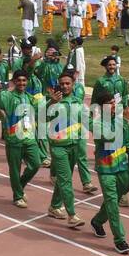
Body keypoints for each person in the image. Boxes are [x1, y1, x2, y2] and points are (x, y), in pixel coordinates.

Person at [89, 84, 129, 254]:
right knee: (112, 203)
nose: (114, 105)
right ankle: (120, 239)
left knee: (113, 201)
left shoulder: (120, 120)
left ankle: (97, 221)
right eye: (109, 103)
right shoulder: (97, 124)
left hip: (122, 167)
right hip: (106, 169)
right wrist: (126, 121)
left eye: (114, 102)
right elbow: (108, 136)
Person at [0, 70, 41, 208]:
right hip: (14, 139)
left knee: (36, 164)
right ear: (14, 82)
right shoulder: (7, 96)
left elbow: (41, 111)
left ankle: (19, 186)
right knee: (15, 169)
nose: (21, 83)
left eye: (24, 80)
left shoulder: (30, 97)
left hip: (29, 139)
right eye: (19, 80)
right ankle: (17, 196)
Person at [45, 73, 87, 228]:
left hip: (74, 145)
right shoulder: (54, 101)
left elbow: (86, 121)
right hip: (58, 147)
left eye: (67, 83)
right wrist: (51, 103)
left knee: (63, 180)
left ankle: (54, 207)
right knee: (66, 180)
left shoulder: (77, 101)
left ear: (73, 84)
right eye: (62, 84)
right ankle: (72, 215)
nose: (64, 86)